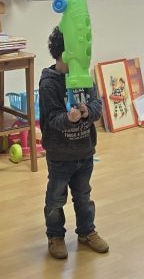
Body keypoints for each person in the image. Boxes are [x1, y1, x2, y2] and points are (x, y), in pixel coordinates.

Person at [40, 26, 108, 260]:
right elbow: (50, 120)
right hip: (59, 156)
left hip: (84, 152)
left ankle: (87, 232)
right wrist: (68, 119)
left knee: (83, 196)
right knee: (55, 199)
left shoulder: (85, 78)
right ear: (63, 54)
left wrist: (87, 111)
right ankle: (55, 235)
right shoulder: (49, 84)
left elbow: (97, 106)